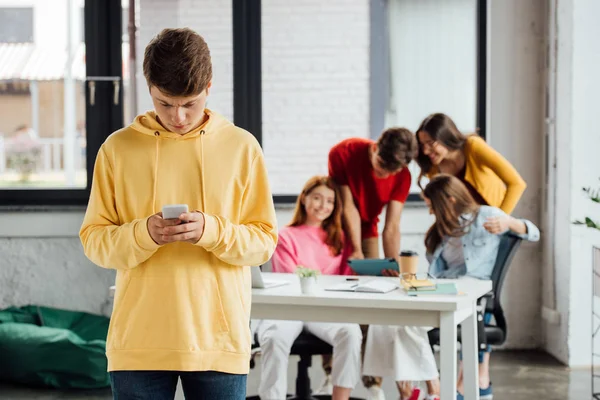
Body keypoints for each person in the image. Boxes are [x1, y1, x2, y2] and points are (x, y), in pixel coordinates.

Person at [79, 28, 278, 400]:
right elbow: (94, 242)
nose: (179, 116)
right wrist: (144, 234)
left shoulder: (241, 147)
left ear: (208, 86)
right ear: (149, 87)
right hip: (138, 341)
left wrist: (213, 230)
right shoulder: (117, 149)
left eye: (191, 103)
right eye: (165, 103)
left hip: (218, 340)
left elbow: (264, 243)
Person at [363, 174, 540, 400]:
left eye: (431, 206)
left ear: (450, 200)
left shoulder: (487, 216)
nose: (430, 212)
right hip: (442, 288)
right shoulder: (441, 231)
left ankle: (434, 389)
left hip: (470, 293)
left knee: (409, 322)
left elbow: (533, 232)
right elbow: (437, 273)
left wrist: (509, 223)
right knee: (388, 319)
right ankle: (404, 391)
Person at [328, 128, 418, 399]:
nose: (383, 176)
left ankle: (373, 381)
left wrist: (395, 269)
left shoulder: (402, 174)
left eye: (390, 173)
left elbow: (391, 227)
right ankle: (330, 373)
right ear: (376, 147)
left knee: (373, 301)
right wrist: (354, 249)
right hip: (335, 228)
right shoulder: (344, 152)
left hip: (369, 230)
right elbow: (348, 207)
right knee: (332, 297)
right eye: (380, 167)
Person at [256, 176, 361, 400]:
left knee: (351, 332)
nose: (323, 205)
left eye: (330, 201)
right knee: (274, 339)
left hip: (324, 310)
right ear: (304, 199)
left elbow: (345, 280)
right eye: (317, 198)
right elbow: (293, 280)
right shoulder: (285, 236)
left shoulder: (340, 238)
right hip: (289, 309)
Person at [415, 113, 526, 214]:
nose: (425, 151)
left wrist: (501, 220)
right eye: (422, 144)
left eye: (430, 143)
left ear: (445, 136)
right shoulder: (433, 168)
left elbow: (516, 184)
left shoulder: (473, 146)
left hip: (496, 222)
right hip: (465, 228)